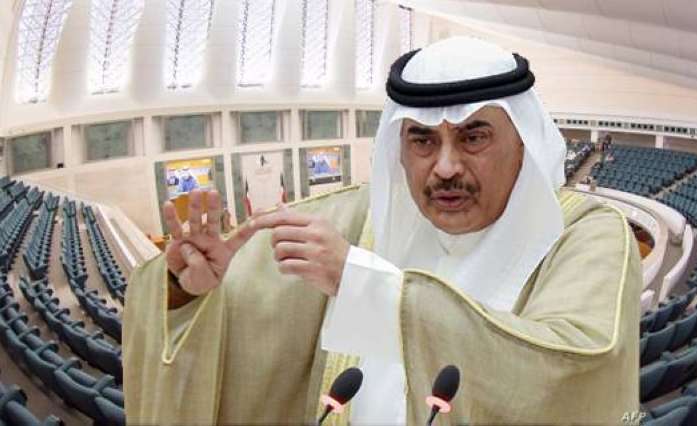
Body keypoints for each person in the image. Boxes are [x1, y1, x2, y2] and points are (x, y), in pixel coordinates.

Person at [123, 37, 642, 425]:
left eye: (473, 137)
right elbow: (247, 344)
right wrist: (189, 293)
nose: (445, 167)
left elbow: (573, 370)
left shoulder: (583, 233)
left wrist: (366, 286)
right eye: (421, 140)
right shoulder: (356, 221)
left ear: (522, 143)